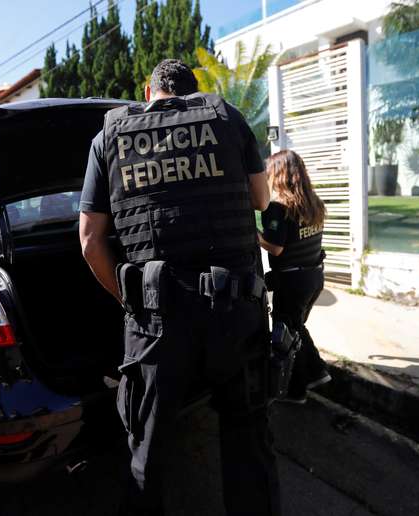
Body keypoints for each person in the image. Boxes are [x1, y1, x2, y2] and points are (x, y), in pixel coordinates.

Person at [79, 59, 280, 516]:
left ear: (148, 91)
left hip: (156, 321)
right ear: (194, 91)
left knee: (148, 450)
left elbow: (90, 241)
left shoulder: (108, 137)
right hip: (235, 313)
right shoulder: (226, 117)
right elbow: (260, 200)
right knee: (248, 444)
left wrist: (130, 301)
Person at [258, 150, 330, 403]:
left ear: (277, 174)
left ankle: (302, 386)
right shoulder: (313, 203)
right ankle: (313, 376)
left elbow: (275, 247)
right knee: (295, 329)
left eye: (269, 172)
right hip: (314, 278)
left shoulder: (278, 208)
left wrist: (252, 231)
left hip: (292, 283)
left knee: (287, 336)